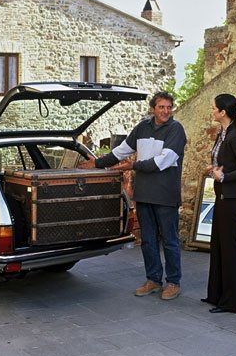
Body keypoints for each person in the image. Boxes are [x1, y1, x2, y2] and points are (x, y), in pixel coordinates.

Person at [79, 91, 186, 300]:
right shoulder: (141, 128)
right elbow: (121, 151)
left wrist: (133, 165)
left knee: (170, 241)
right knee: (147, 240)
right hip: (144, 193)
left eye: (169, 107)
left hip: (165, 195)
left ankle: (173, 282)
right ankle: (153, 280)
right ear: (153, 109)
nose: (166, 111)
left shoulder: (176, 130)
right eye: (161, 107)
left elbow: (163, 162)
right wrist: (97, 163)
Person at [202, 94, 236, 313]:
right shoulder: (223, 133)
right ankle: (216, 295)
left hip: (232, 198)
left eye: (214, 109)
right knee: (217, 245)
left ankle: (231, 302)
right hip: (223, 196)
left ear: (223, 112)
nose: (212, 111)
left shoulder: (234, 136)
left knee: (229, 249)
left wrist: (224, 177)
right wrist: (214, 169)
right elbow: (224, 161)